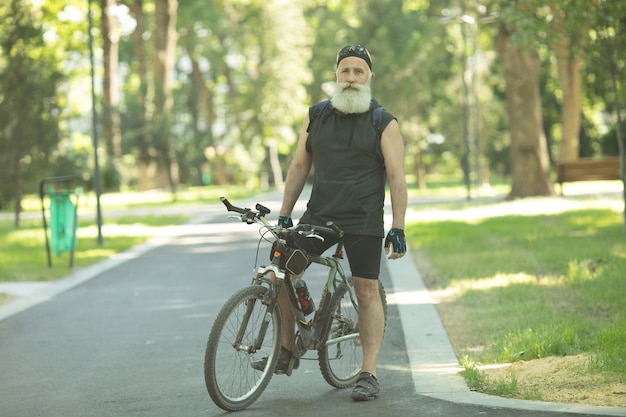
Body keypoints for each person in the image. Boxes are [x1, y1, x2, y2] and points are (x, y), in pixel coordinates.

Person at [253, 44, 407, 402]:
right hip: (320, 215)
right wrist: (285, 214)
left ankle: (368, 372)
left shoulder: (383, 121)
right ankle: (288, 347)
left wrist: (398, 226)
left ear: (370, 77)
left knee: (366, 290)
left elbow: (397, 177)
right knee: (281, 273)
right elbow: (298, 167)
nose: (351, 78)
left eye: (359, 71)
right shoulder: (317, 116)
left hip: (363, 218)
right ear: (336, 75)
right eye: (345, 71)